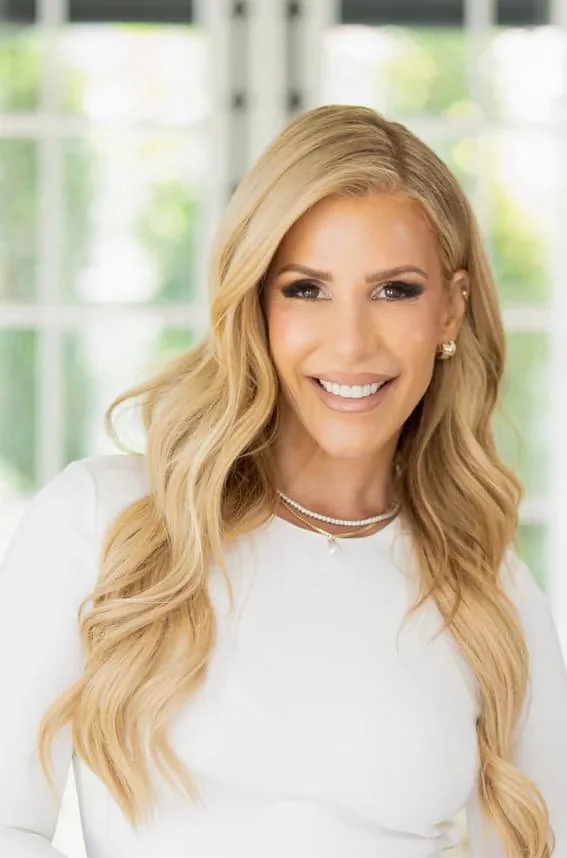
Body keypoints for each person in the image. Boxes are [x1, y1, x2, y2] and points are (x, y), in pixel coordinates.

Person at [0, 104, 566, 858]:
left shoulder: (489, 591)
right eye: (306, 289)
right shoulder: (107, 522)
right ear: (255, 304)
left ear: (450, 309)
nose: (351, 341)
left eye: (394, 290)